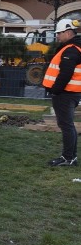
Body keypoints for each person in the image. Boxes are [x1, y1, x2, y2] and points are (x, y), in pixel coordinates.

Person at [42, 18, 81, 167]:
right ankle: (71, 157)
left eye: (59, 33)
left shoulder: (70, 50)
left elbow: (65, 73)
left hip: (65, 94)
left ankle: (68, 158)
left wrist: (55, 91)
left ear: (68, 32)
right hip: (70, 93)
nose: (57, 36)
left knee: (66, 126)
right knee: (68, 125)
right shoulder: (74, 48)